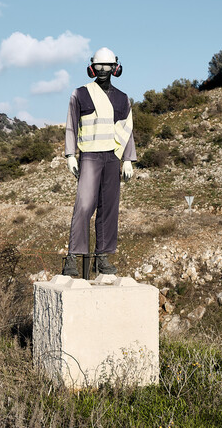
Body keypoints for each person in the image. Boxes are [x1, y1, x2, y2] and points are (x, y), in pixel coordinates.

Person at [62, 47, 136, 276]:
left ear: (116, 68)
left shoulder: (123, 98)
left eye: (108, 66)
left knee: (109, 207)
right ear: (92, 67)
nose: (103, 70)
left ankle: (101, 257)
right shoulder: (80, 94)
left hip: (112, 157)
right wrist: (70, 155)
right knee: (84, 206)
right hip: (90, 156)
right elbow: (71, 125)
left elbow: (128, 129)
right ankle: (72, 258)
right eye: (99, 66)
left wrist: (128, 160)